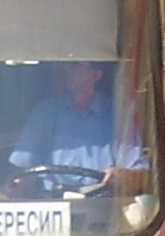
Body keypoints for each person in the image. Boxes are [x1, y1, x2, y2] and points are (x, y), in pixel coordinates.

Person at [8, 61, 148, 195]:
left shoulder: (117, 113)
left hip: (104, 203)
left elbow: (139, 174)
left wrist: (123, 175)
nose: (66, 69)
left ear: (95, 75)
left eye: (75, 65)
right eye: (66, 64)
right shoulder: (45, 111)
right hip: (53, 202)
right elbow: (23, 168)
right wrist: (19, 184)